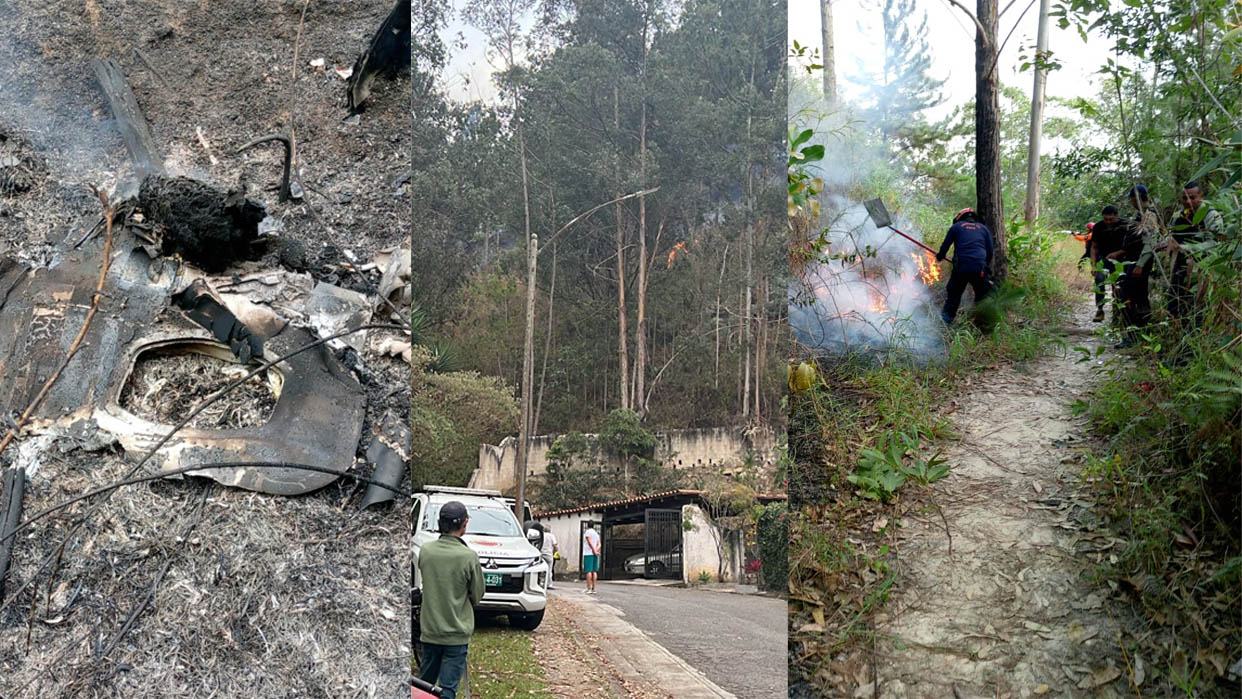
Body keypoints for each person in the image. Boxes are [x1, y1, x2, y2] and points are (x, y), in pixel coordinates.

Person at [418, 501, 484, 699]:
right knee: (447, 689)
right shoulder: (468, 557)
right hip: (456, 633)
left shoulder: (426, 551)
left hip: (429, 631)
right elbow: (478, 594)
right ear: (465, 524)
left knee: (423, 686)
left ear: (440, 523)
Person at [1160, 181, 1223, 327]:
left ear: (1201, 196)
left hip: (1201, 269)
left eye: (1192, 197)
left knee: (1196, 308)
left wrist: (1183, 247)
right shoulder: (1180, 215)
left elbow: (1215, 243)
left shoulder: (1211, 215)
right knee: (1175, 304)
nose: (1187, 201)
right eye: (1184, 198)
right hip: (1181, 267)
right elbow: (1173, 236)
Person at [1107, 185, 1161, 349]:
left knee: (1129, 297)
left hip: (1138, 265)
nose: (1130, 202)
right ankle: (1140, 334)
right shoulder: (1140, 215)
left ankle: (1134, 335)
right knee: (1136, 297)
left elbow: (1150, 242)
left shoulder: (1149, 215)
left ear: (1136, 198)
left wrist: (1140, 265)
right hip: (1133, 262)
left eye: (1131, 199)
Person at [935, 207, 994, 324]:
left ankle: (945, 324)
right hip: (980, 269)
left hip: (961, 268)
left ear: (960, 218)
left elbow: (945, 245)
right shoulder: (984, 229)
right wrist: (983, 265)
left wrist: (940, 256)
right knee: (982, 297)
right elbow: (990, 251)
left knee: (953, 297)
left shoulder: (956, 227)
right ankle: (982, 325)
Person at [1088, 206, 1128, 322]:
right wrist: (1094, 265)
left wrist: (1118, 253)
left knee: (1119, 285)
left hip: (1120, 259)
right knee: (1099, 279)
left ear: (1117, 216)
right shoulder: (1098, 227)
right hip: (1103, 259)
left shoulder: (1125, 226)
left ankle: (1118, 312)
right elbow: (1094, 247)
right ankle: (1100, 309)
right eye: (1106, 219)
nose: (1108, 222)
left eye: (1111, 219)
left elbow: (1131, 246)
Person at [582, 522, 601, 594]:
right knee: (594, 571)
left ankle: (588, 588)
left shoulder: (588, 532)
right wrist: (596, 550)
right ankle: (594, 588)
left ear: (587, 525)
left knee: (588, 571)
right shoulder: (596, 533)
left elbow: (589, 542)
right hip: (595, 553)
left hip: (588, 553)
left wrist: (593, 550)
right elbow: (599, 544)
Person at [539, 525, 558, 589]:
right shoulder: (551, 536)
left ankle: (541, 583)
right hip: (549, 554)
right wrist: (555, 552)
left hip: (541, 554)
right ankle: (549, 584)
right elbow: (555, 545)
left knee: (541, 569)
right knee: (549, 569)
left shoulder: (541, 535)